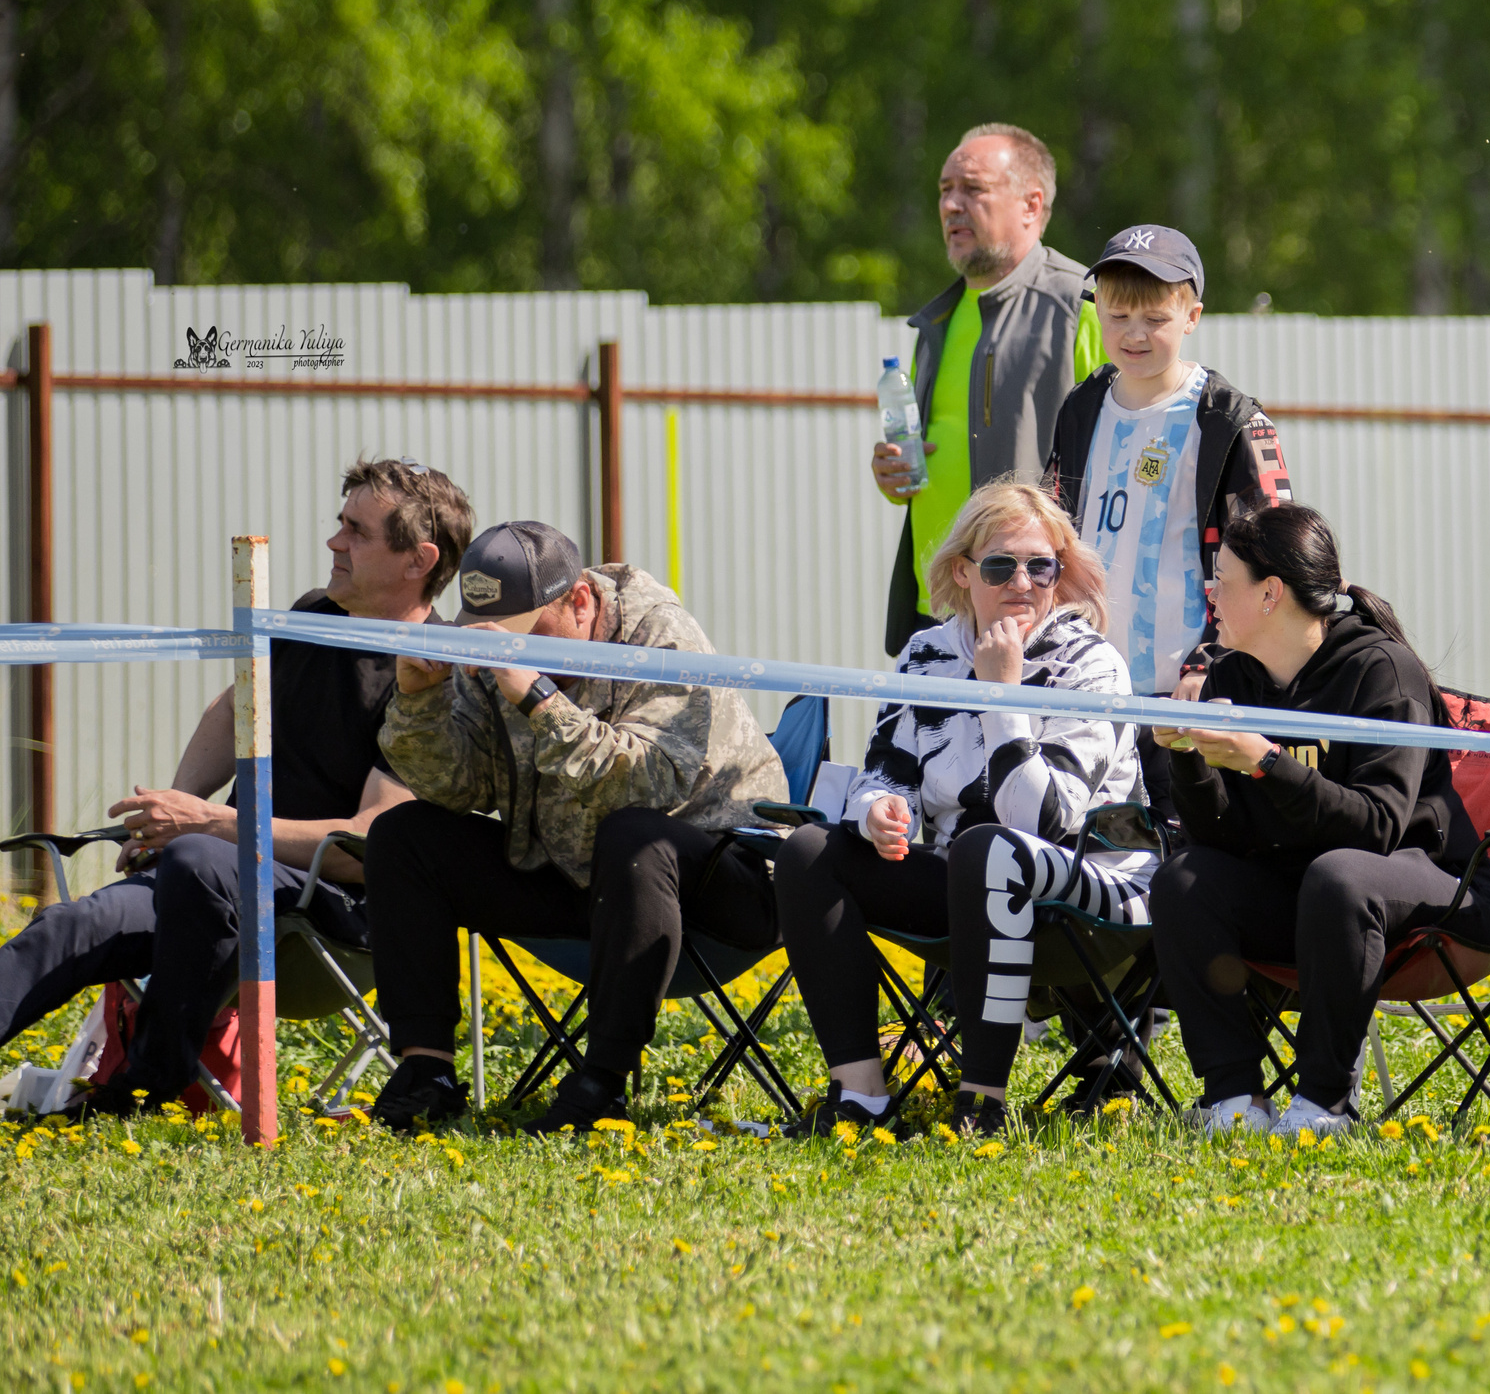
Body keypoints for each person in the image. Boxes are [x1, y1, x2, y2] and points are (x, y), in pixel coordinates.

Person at [0, 458, 472, 1113]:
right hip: (211, 876)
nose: (334, 542)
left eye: (357, 532)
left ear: (418, 559)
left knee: (198, 859)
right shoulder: (312, 615)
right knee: (67, 925)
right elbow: (232, 711)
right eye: (339, 524)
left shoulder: (433, 678)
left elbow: (362, 847)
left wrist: (204, 825)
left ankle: (143, 1087)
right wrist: (162, 816)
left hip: (327, 915)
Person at [365, 520, 788, 1134]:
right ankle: (424, 1071)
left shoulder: (661, 635)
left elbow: (651, 781)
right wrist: (419, 700)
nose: (505, 652)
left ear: (582, 601)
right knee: (405, 836)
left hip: (720, 884)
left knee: (633, 835)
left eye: (523, 636)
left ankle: (602, 1083)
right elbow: (459, 788)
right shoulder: (495, 653)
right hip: (580, 878)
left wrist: (537, 698)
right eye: (491, 639)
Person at [774, 480, 1142, 1138]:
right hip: (960, 882)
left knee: (986, 846)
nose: (1023, 582)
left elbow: (1042, 824)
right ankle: (859, 1094)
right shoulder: (926, 653)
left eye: (1042, 566)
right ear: (964, 572)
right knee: (808, 852)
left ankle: (982, 1104)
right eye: (1002, 566)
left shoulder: (1092, 665)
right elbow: (883, 771)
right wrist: (877, 811)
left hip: (1082, 894)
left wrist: (1002, 694)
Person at [1147, 502, 1490, 1139]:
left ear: (1270, 594)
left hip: (1426, 887)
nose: (1211, 598)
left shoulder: (1381, 671)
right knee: (1185, 880)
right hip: (1303, 894)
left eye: (1221, 582)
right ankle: (1234, 1100)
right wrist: (1191, 761)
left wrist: (1267, 763)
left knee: (1340, 876)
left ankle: (1321, 1105)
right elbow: (1217, 839)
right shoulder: (1234, 674)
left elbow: (1379, 828)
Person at [1045, 223, 1292, 790]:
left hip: (1186, 699)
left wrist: (1209, 662)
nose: (1134, 335)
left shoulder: (1231, 421)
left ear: (1192, 317)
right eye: (1117, 316)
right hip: (1082, 694)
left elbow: (1276, 570)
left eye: (1155, 319)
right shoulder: (1080, 408)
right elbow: (1049, 540)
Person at [873, 123, 1107, 657]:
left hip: (1035, 610)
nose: (952, 205)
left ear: (1031, 204)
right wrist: (896, 475)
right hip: (940, 612)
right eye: (943, 190)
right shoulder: (937, 321)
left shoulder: (1084, 307)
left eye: (972, 189)